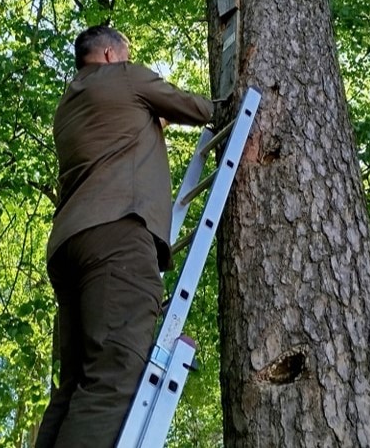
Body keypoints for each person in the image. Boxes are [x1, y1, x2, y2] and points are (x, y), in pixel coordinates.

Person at [35, 26, 214, 448]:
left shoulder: (68, 106)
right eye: (127, 53)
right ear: (113, 54)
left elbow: (115, 140)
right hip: (118, 234)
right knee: (114, 374)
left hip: (70, 244)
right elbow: (196, 107)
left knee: (74, 385)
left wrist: (150, 121)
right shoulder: (126, 77)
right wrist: (231, 105)